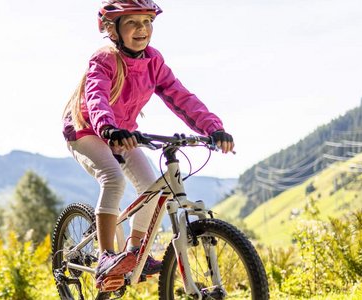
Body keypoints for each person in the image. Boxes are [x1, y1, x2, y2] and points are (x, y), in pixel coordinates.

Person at [61, 0, 235, 290]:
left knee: (153, 188)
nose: (142, 29)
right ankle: (105, 257)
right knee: (113, 179)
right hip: (87, 129)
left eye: (147, 22)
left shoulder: (153, 61)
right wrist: (107, 127)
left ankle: (134, 252)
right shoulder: (104, 58)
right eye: (132, 22)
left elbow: (181, 97)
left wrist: (214, 128)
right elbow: (96, 96)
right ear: (113, 30)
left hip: (123, 132)